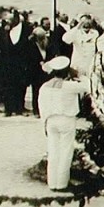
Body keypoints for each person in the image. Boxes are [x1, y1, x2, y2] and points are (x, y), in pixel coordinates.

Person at [36, 56, 89, 190]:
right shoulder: (69, 86)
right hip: (66, 119)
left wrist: (45, 123)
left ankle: (52, 183)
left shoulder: (44, 86)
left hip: (51, 120)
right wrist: (79, 75)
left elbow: (41, 106)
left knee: (53, 151)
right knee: (66, 151)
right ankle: (62, 183)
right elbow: (88, 86)